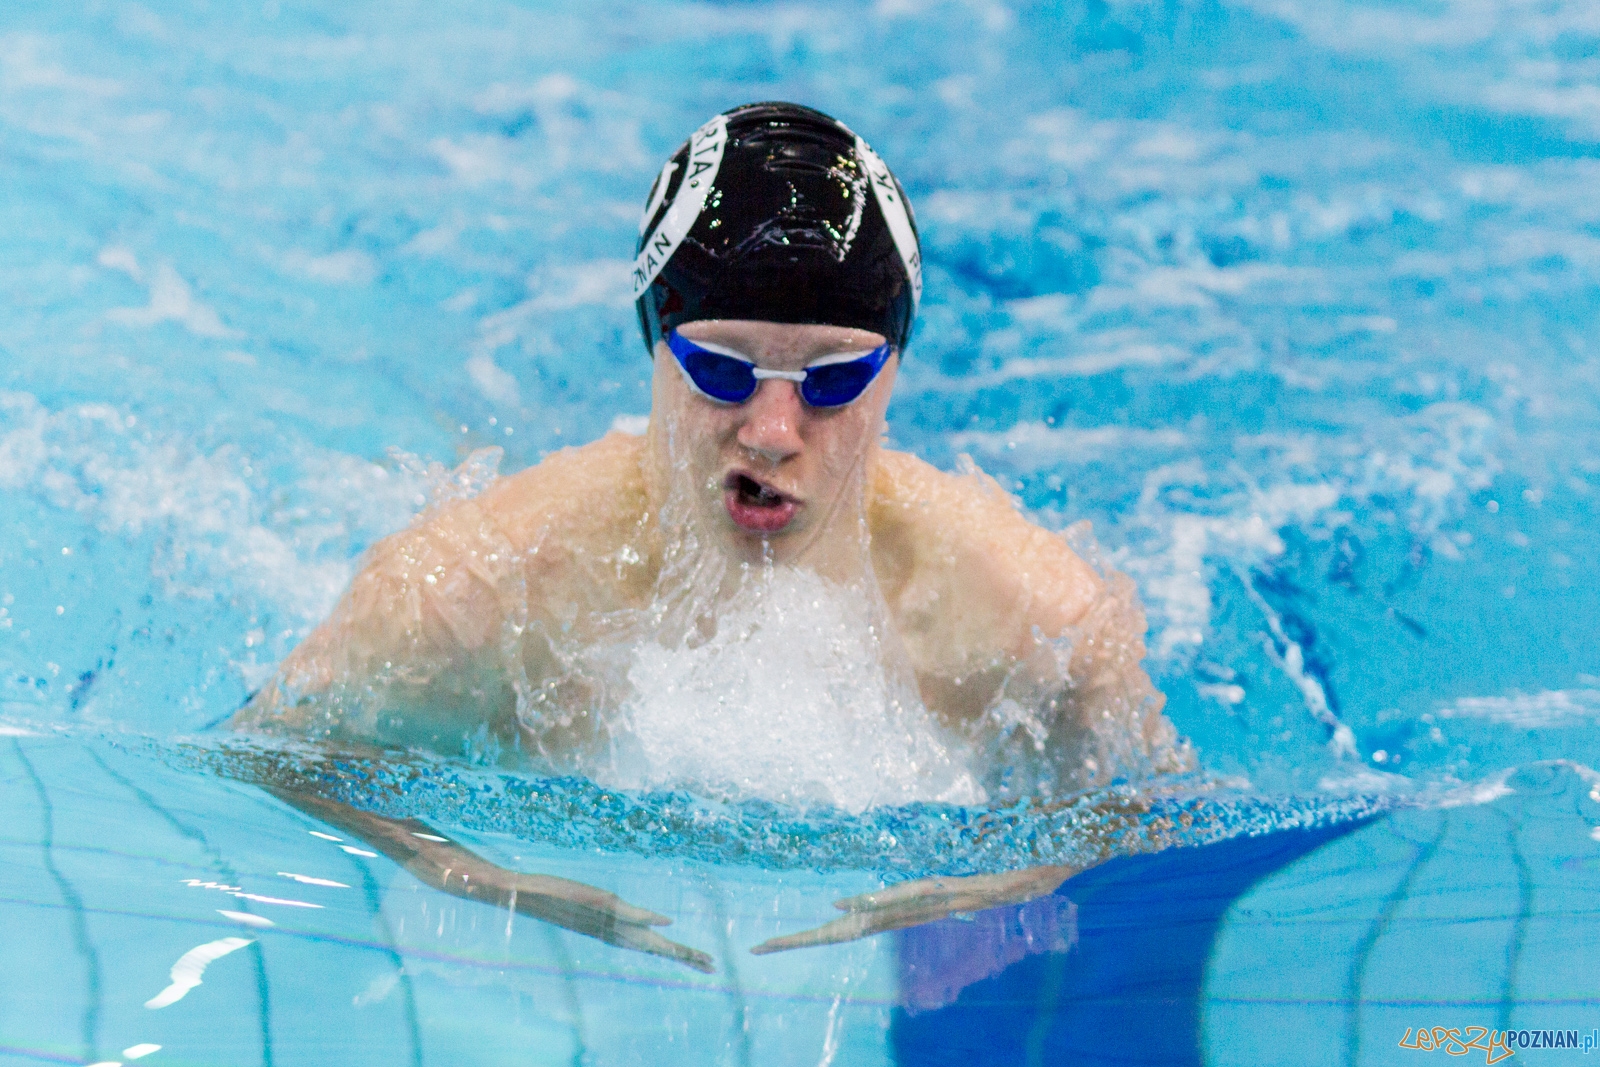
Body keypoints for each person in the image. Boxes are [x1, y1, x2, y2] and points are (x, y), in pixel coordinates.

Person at [231, 102, 1188, 972]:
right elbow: (269, 755)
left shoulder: (1038, 616)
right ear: (656, 340)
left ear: (895, 368)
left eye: (833, 379)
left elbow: (1145, 808)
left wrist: (1001, 889)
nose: (773, 432)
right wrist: (473, 876)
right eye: (723, 371)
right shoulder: (471, 593)